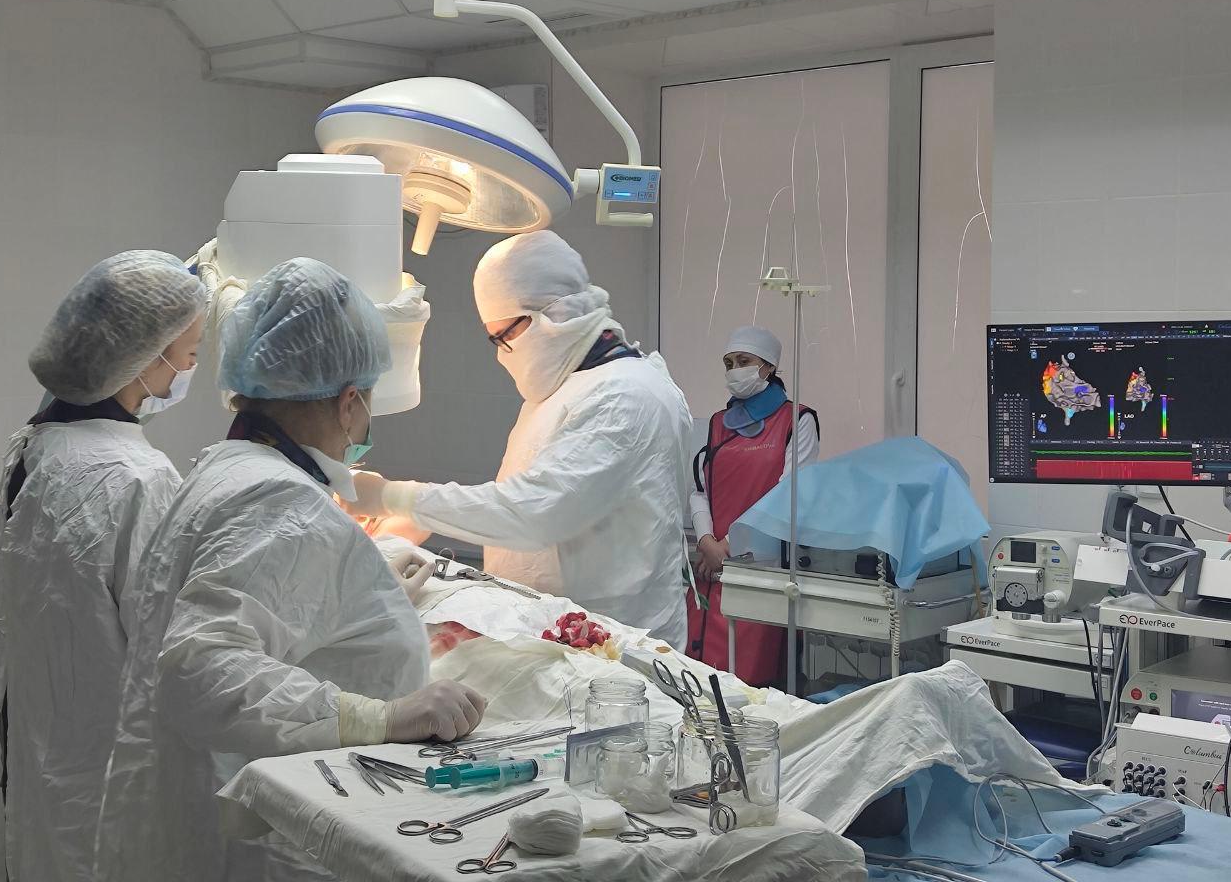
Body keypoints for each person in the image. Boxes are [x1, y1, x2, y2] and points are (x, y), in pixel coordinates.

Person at [94, 258, 487, 882]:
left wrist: (363, 600)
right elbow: (200, 669)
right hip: (262, 840)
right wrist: (384, 717)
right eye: (365, 407)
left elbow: (246, 607)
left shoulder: (227, 468)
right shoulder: (278, 500)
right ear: (349, 401)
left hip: (195, 818)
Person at [0, 251, 206, 882]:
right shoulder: (136, 477)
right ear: (144, 357)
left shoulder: (36, 443)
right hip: (97, 772)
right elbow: (173, 647)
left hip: (28, 752)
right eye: (189, 351)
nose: (192, 366)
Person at [348, 230, 693, 648]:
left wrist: (394, 497)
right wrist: (418, 518)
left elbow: (534, 512)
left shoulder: (624, 395)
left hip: (616, 643)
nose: (501, 353)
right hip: (558, 628)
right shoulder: (571, 386)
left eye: (503, 336)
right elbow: (525, 497)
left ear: (549, 315)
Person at [687, 325, 819, 687]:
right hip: (713, 572)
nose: (734, 370)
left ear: (769, 366)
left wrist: (728, 547)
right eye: (728, 363)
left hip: (763, 572)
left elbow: (788, 495)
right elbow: (699, 489)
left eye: (743, 361)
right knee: (700, 679)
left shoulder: (797, 421)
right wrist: (706, 542)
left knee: (751, 686)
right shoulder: (718, 424)